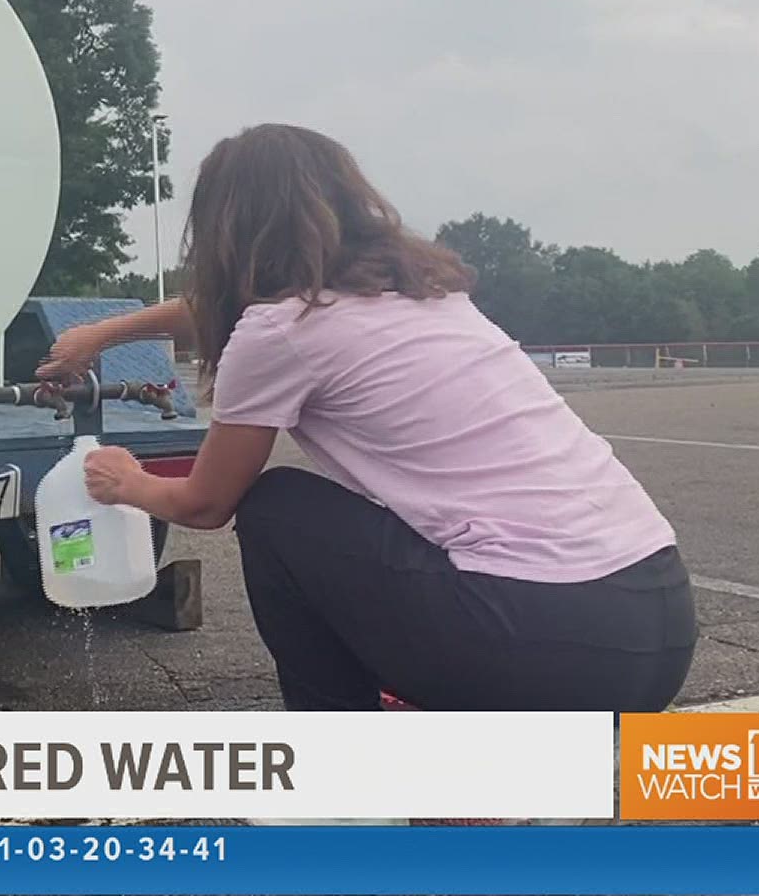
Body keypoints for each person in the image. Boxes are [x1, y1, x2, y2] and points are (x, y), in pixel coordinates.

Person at [37, 123, 696, 713]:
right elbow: (228, 307)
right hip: (658, 628)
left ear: (227, 229)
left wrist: (127, 483)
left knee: (275, 508)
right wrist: (106, 333)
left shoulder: (279, 331)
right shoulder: (423, 290)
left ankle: (346, 779)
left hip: (545, 651)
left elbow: (207, 504)